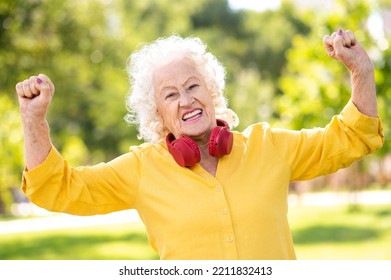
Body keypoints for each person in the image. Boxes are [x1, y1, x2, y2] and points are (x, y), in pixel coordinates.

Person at [16, 29, 384, 260]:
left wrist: (361, 72)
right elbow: (57, 188)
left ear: (212, 92)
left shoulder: (268, 146)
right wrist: (34, 120)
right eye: (170, 94)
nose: (186, 100)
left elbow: (351, 138)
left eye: (193, 86)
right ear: (158, 115)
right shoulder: (141, 169)